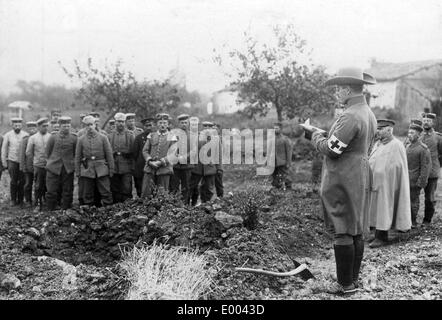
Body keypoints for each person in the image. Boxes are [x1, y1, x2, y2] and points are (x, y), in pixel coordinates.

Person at [306, 67, 377, 295]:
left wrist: (314, 135)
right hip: (359, 174)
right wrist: (326, 133)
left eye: (338, 89)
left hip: (343, 177)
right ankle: (352, 280)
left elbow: (333, 149)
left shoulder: (349, 115)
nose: (336, 93)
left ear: (347, 89)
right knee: (355, 229)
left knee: (342, 230)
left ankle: (344, 285)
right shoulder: (367, 112)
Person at [368, 119, 411, 248]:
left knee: (384, 208)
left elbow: (398, 167)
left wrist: (385, 176)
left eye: (380, 129)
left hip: (388, 184)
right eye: (377, 129)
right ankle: (377, 233)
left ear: (389, 129)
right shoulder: (378, 144)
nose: (377, 131)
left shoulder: (396, 145)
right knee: (375, 209)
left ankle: (382, 236)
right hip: (375, 183)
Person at [75, 115, 114, 207]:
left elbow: (109, 155)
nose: (89, 127)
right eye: (87, 125)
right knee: (87, 193)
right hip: (87, 169)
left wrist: (111, 169)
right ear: (84, 126)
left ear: (95, 125)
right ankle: (89, 213)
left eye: (91, 124)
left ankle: (109, 212)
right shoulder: (81, 139)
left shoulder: (103, 137)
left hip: (102, 168)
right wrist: (78, 171)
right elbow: (77, 156)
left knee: (106, 192)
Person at [141, 113, 177, 197]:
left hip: (164, 168)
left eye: (164, 123)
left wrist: (160, 162)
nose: (162, 125)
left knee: (162, 194)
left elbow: (173, 154)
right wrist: (150, 161)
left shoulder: (172, 137)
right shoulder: (151, 135)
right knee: (146, 192)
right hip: (150, 168)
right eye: (160, 123)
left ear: (168, 124)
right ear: (157, 124)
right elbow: (145, 151)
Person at [45, 116, 77, 211]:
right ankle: (51, 208)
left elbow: (76, 153)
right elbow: (47, 152)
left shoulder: (74, 138)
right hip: (53, 167)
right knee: (51, 190)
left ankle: (66, 208)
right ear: (59, 126)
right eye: (64, 126)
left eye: (68, 126)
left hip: (68, 168)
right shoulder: (53, 137)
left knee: (67, 190)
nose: (66, 128)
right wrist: (51, 162)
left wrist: (71, 164)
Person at [405, 121, 431, 228]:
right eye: (409, 132)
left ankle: (413, 222)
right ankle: (406, 221)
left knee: (413, 202)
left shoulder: (423, 149)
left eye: (412, 133)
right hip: (406, 180)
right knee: (406, 202)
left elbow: (425, 168)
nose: (409, 135)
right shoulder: (407, 146)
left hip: (415, 181)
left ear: (418, 135)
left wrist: (421, 182)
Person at [420, 113, 442, 225]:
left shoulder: (438, 137)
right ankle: (411, 219)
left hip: (432, 172)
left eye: (428, 120)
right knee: (412, 196)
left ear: (433, 123)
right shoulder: (417, 135)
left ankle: (427, 219)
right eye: (424, 120)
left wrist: (437, 166)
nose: (426, 122)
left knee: (429, 198)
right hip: (417, 172)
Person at [1, 118, 29, 206]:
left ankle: (20, 199)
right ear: (12, 125)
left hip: (22, 161)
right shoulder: (8, 135)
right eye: (15, 125)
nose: (17, 127)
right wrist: (4, 162)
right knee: (13, 180)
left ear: (22, 125)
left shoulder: (25, 135)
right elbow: (4, 149)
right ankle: (13, 199)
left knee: (22, 180)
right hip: (12, 160)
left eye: (19, 125)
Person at [190, 121, 218, 205]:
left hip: (210, 168)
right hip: (197, 167)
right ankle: (191, 204)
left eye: (208, 127)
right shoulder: (196, 137)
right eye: (205, 126)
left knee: (208, 189)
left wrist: (219, 168)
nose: (206, 128)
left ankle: (206, 204)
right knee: (192, 186)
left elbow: (218, 155)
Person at [108, 113, 134, 203]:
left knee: (126, 188)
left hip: (126, 166)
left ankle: (128, 208)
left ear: (125, 123)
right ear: (115, 122)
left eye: (122, 122)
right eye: (118, 122)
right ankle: (116, 208)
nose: (120, 124)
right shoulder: (110, 136)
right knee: (115, 188)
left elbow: (133, 152)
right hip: (114, 166)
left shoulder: (130, 135)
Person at [26, 117, 51, 211]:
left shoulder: (50, 137)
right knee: (38, 186)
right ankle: (37, 204)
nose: (46, 128)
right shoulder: (33, 138)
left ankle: (49, 203)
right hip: (38, 166)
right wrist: (35, 160)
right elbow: (28, 152)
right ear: (39, 127)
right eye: (44, 126)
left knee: (49, 185)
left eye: (47, 126)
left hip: (49, 166)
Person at [170, 114, 194, 204]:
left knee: (186, 187)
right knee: (174, 186)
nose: (184, 124)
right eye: (182, 122)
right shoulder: (174, 134)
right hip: (176, 165)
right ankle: (175, 204)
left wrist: (185, 157)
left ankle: (185, 205)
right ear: (178, 123)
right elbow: (172, 147)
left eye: (185, 122)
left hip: (187, 165)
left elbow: (194, 150)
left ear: (188, 123)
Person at [132, 117, 154, 197]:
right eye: (146, 126)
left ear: (153, 125)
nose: (148, 127)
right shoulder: (138, 138)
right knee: (140, 188)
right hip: (141, 167)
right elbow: (135, 153)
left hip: (154, 166)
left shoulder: (157, 136)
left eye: (150, 125)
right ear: (143, 127)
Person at [19, 121, 37, 207]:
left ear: (37, 129)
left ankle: (38, 200)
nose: (32, 130)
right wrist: (23, 166)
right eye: (30, 128)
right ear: (27, 129)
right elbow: (22, 154)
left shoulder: (39, 138)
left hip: (38, 165)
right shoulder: (25, 139)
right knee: (28, 184)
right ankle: (28, 200)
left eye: (34, 128)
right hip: (28, 166)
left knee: (39, 184)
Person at [272, 122, 293, 190]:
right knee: (275, 177)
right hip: (274, 162)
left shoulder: (285, 139)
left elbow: (289, 152)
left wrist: (288, 163)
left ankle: (289, 188)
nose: (275, 130)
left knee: (285, 176)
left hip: (282, 162)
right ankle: (277, 189)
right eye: (274, 128)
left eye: (277, 128)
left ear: (280, 129)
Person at [213, 123, 224, 198]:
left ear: (219, 130)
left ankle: (220, 198)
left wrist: (219, 167)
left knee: (218, 183)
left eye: (215, 129)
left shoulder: (220, 139)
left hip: (217, 164)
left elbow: (221, 154)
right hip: (209, 165)